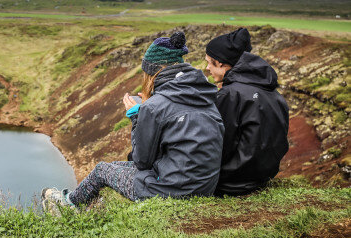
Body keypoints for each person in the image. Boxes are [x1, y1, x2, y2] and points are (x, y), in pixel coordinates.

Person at [42, 32, 224, 214]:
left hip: (172, 191)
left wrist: (137, 115)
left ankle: (66, 207)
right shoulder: (205, 94)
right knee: (116, 166)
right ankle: (76, 202)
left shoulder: (155, 106)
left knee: (101, 170)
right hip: (204, 187)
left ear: (153, 71)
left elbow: (141, 160)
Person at [205, 27, 289, 196]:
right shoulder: (272, 92)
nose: (207, 68)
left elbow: (220, 144)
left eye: (209, 62)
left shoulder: (231, 94)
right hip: (262, 177)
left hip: (231, 181)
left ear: (220, 63)